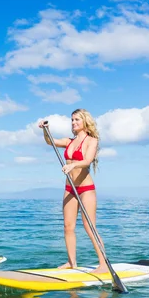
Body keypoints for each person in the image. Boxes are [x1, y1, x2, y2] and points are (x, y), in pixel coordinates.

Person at [39, 109, 109, 274]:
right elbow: (50, 142)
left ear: (85, 121)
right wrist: (44, 129)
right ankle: (72, 262)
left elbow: (87, 161)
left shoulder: (92, 140)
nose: (73, 122)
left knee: (89, 226)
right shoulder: (69, 141)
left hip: (86, 189)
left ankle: (104, 264)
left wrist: (73, 165)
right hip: (70, 188)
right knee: (68, 226)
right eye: (72, 120)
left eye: (77, 119)